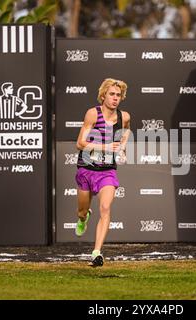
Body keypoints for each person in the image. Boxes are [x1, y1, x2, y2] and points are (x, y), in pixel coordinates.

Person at [74, 78, 131, 267]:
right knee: (82, 211)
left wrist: (122, 147)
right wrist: (106, 147)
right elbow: (80, 144)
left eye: (118, 95)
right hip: (87, 168)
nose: (115, 98)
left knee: (105, 208)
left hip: (107, 171)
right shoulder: (92, 114)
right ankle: (84, 217)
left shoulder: (124, 117)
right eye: (112, 94)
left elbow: (127, 131)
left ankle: (96, 253)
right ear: (103, 95)